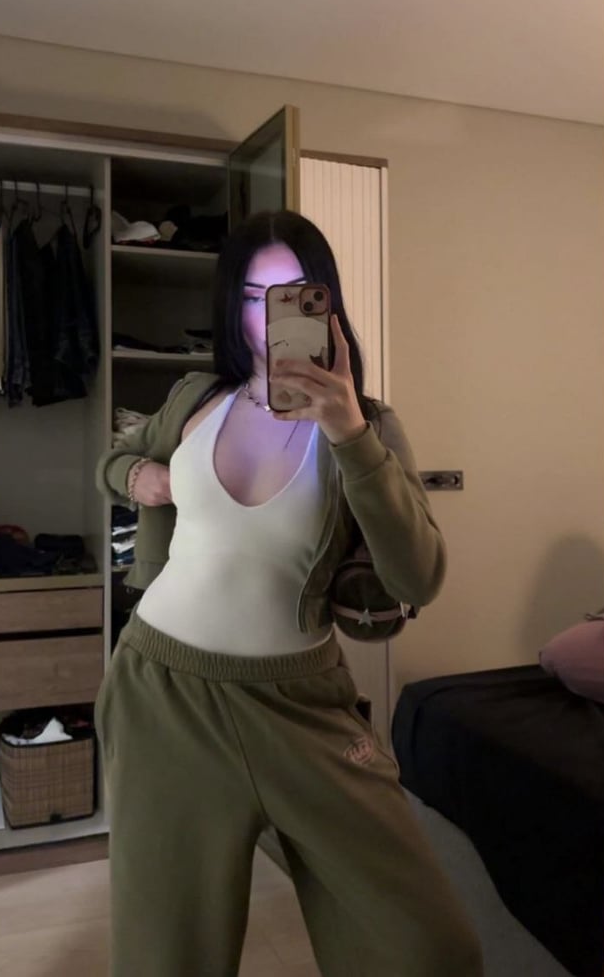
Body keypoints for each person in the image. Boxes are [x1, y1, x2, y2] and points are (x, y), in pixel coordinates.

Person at [94, 210, 483, 977]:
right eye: (252, 295)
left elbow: (419, 575)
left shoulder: (369, 426)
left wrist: (349, 431)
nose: (269, 316)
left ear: (325, 304)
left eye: (294, 294)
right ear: (231, 305)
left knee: (429, 947)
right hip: (161, 691)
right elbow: (116, 458)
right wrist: (140, 476)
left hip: (302, 706)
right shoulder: (196, 397)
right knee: (167, 958)